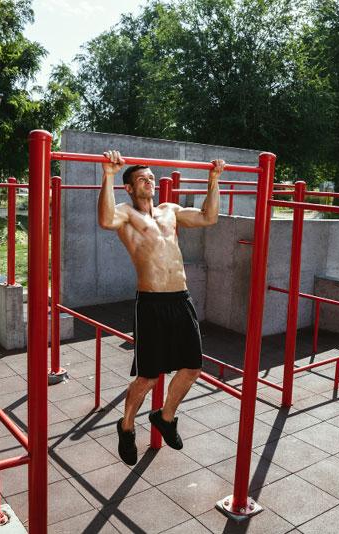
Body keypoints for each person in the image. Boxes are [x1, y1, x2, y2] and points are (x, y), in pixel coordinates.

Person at [97, 150, 225, 465]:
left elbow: (209, 217)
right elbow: (104, 219)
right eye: (142, 178)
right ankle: (126, 427)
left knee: (193, 366)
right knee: (149, 377)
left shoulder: (170, 210)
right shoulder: (126, 213)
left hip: (180, 298)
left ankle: (165, 418)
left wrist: (214, 179)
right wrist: (109, 174)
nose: (149, 181)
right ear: (129, 187)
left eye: (151, 177)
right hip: (151, 303)